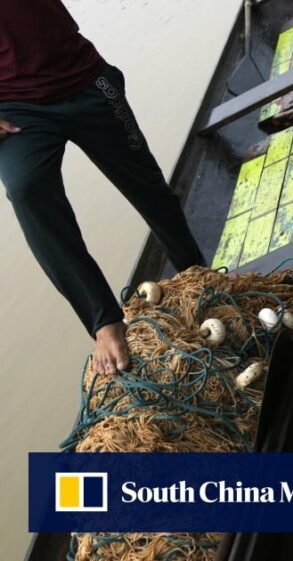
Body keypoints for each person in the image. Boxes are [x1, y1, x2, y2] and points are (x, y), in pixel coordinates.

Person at [0, 0, 205, 375]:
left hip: (85, 80)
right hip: (17, 108)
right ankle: (104, 321)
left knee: (148, 185)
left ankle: (197, 271)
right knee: (25, 188)